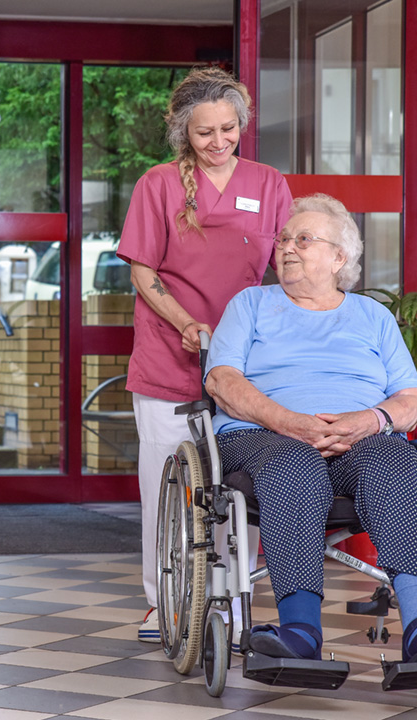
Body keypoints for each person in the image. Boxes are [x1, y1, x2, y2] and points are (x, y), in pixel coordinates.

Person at [204, 193, 417, 663]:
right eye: (284, 238)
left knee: (396, 459)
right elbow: (222, 380)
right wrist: (290, 423)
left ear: (338, 256)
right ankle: (302, 632)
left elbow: (410, 397)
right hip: (265, 438)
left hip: (359, 439)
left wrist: (370, 420)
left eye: (303, 238)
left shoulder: (372, 316)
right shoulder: (251, 305)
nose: (287, 246)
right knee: (294, 465)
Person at [116, 66, 293, 643]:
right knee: (169, 484)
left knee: (238, 486)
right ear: (182, 134)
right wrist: (186, 322)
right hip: (172, 354)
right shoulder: (159, 185)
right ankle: (162, 602)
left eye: (228, 129)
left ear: (241, 124)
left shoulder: (269, 185)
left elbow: (286, 267)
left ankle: (230, 598)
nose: (218, 143)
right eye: (203, 134)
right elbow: (144, 272)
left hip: (244, 364)